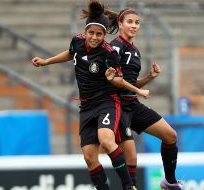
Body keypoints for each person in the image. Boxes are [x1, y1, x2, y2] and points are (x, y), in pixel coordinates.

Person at [31, 1, 148, 190]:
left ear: (104, 36)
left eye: (99, 34)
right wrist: (46, 61)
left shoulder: (109, 53)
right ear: (85, 32)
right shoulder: (77, 41)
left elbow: (119, 81)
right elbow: (70, 54)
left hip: (107, 102)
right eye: (91, 33)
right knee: (89, 156)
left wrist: (119, 81)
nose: (94, 37)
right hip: (86, 106)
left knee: (106, 139)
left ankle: (129, 186)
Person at [106, 8, 183, 190]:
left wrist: (149, 77)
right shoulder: (115, 47)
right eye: (129, 22)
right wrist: (138, 91)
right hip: (117, 107)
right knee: (131, 157)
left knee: (170, 136)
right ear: (120, 24)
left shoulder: (134, 50)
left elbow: (130, 83)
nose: (134, 26)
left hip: (133, 104)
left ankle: (169, 182)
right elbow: (115, 82)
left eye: (137, 22)